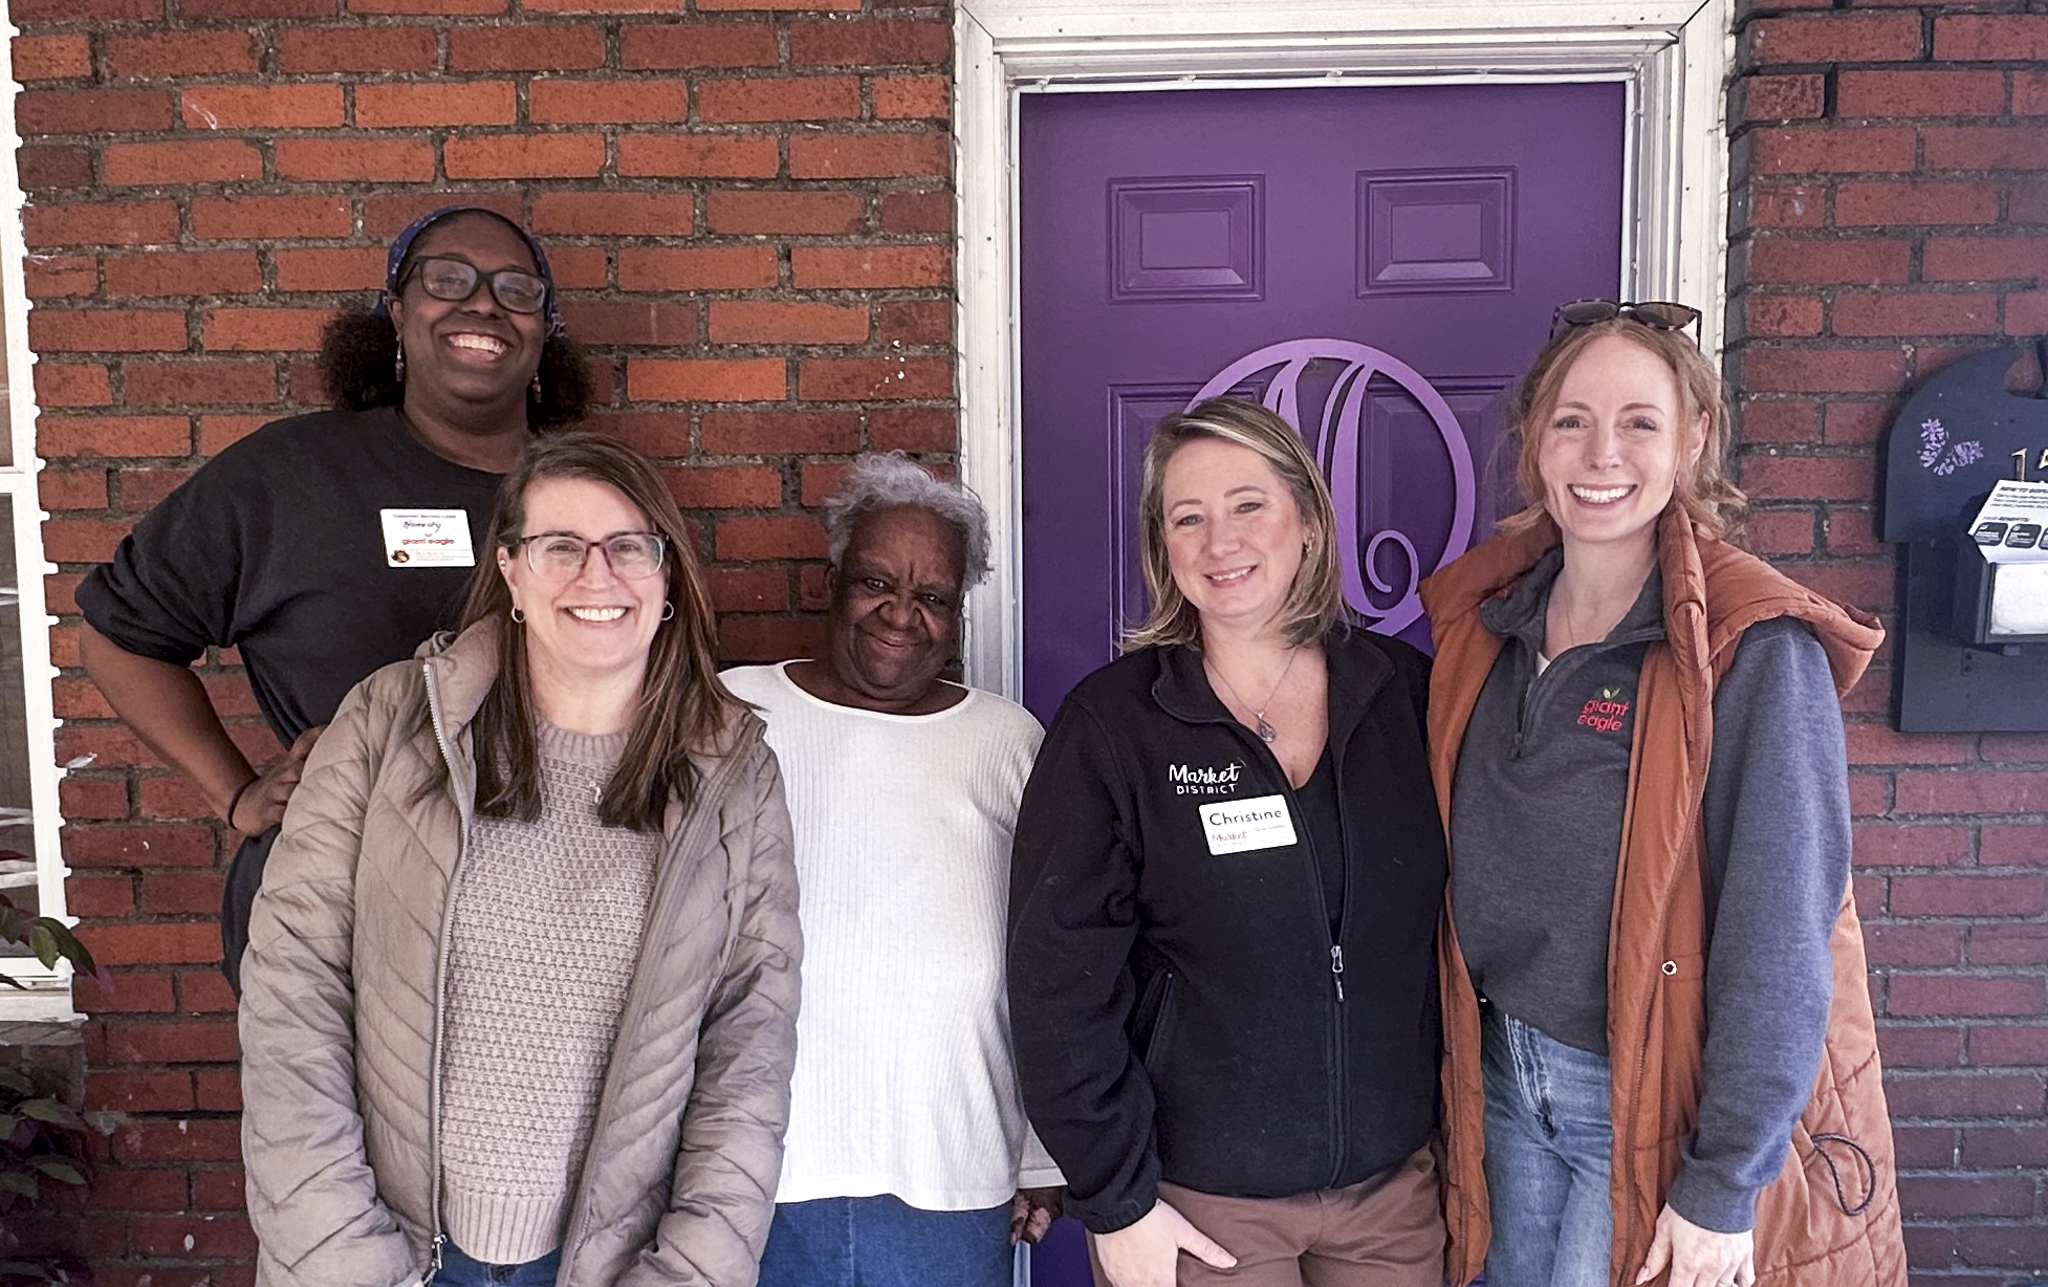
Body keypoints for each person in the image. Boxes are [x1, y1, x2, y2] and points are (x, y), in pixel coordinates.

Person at [238, 433, 801, 1287]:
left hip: (610, 1266)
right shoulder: (390, 724)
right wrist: (342, 1257)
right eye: (560, 546)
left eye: (629, 547)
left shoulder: (733, 774)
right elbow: (293, 991)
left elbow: (748, 1050)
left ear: (668, 577)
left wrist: (688, 1272)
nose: (596, 575)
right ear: (508, 571)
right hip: (391, 1253)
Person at [1420, 300, 1906, 1287]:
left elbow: (1782, 929)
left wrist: (1724, 1179)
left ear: (1692, 439)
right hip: (1499, 1080)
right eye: (1570, 420)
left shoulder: (1749, 646)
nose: (1600, 454)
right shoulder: (1487, 621)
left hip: (1645, 1103)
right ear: (1532, 442)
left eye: (1637, 422)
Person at [75, 204, 593, 992]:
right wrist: (238, 793)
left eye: (516, 290)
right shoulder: (292, 475)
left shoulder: (594, 495)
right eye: (446, 280)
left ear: (543, 330)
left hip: (552, 912)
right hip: (337, 916)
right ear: (395, 310)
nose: (483, 304)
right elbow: (119, 638)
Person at [1008, 398, 1448, 1287]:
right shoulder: (1115, 724)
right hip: (1200, 1204)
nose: (1221, 541)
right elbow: (1056, 979)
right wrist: (1116, 1197)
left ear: (1310, 523)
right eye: (1188, 517)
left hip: (1392, 1196)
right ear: (1161, 546)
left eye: (1248, 504)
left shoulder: (1406, 694)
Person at [723, 453, 1063, 1287]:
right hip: (753, 1176)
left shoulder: (1009, 743)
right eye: (878, 580)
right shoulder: (733, 713)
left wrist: (1041, 1152)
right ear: (833, 579)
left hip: (952, 1175)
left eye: (934, 596)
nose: (901, 614)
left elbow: (1054, 963)